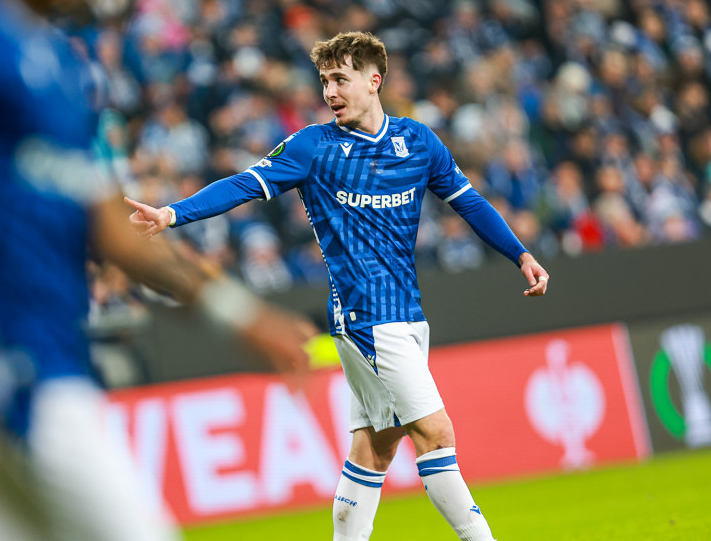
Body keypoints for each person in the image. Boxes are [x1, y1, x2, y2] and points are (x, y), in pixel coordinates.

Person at [0, 0, 312, 541]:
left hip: (56, 361)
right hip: (10, 376)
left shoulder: (64, 64)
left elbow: (114, 230)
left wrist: (240, 315)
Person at [126, 31, 551, 541]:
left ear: (374, 81)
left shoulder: (418, 142)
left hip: (407, 313)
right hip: (366, 316)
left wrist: (521, 254)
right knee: (436, 435)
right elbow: (243, 184)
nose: (329, 92)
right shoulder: (313, 147)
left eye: (340, 79)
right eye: (324, 81)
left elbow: (470, 202)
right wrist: (173, 213)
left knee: (375, 449)